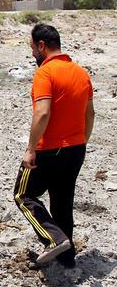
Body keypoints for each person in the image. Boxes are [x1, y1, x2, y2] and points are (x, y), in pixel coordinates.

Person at [13, 23, 95, 268]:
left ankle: (54, 239)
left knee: (23, 194)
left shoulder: (45, 73)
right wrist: (81, 142)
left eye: (32, 49)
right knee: (62, 200)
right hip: (76, 147)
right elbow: (90, 114)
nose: (32, 55)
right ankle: (66, 258)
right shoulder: (81, 72)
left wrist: (30, 149)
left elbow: (43, 113)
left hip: (49, 149)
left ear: (41, 46)